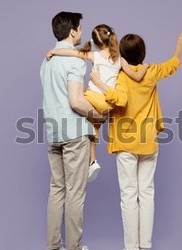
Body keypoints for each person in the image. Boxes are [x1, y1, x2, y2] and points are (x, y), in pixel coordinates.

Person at [90, 26, 182, 250]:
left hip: (125, 143)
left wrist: (100, 83)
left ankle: (130, 248)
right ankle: (145, 248)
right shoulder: (151, 72)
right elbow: (173, 64)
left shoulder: (121, 77)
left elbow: (118, 99)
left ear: (122, 54)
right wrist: (180, 43)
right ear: (143, 53)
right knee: (147, 194)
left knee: (128, 195)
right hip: (148, 143)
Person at [46, 24, 149, 183]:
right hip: (108, 103)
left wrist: (53, 51)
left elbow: (70, 52)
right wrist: (146, 67)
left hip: (93, 98)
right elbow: (137, 77)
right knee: (94, 126)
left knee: (76, 108)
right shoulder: (120, 60)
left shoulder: (95, 56)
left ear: (95, 42)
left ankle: (89, 160)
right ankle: (93, 162)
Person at [40, 11, 103, 250]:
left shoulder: (46, 60)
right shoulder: (75, 62)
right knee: (75, 192)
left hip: (53, 132)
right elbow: (76, 101)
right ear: (73, 31)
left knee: (57, 190)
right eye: (80, 28)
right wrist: (97, 115)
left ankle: (53, 247)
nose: (82, 32)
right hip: (74, 133)